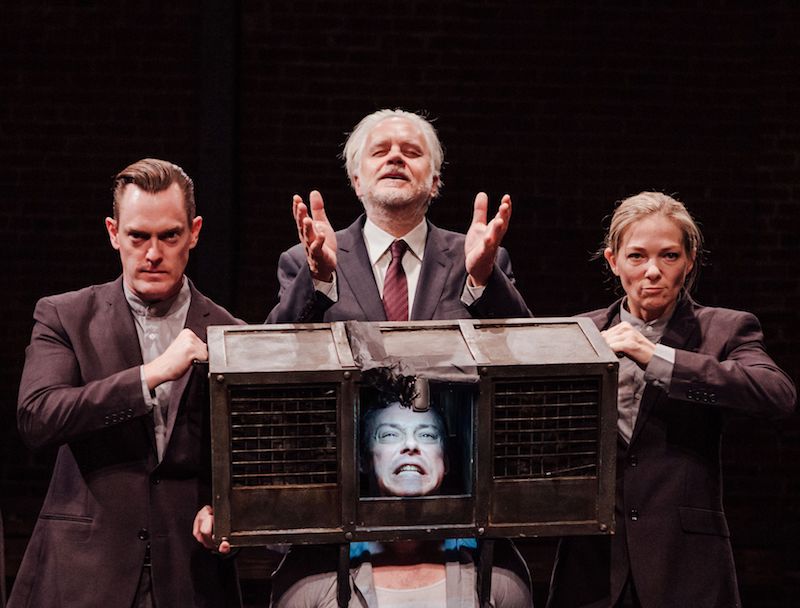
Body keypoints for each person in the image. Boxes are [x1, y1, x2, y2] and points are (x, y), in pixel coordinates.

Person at [546, 192, 796, 608]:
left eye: (669, 256)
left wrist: (657, 357)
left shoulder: (723, 328)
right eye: (637, 256)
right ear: (613, 261)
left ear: (690, 260)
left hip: (684, 564)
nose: (653, 272)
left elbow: (776, 393)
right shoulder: (580, 333)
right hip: (591, 564)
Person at [11, 159, 241, 608]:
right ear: (114, 233)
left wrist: (228, 509)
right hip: (84, 570)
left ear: (193, 232)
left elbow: (250, 457)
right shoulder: (65, 316)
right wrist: (148, 376)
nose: (152, 253)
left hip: (191, 575)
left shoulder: (230, 332)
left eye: (169, 236)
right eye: (138, 236)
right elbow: (37, 416)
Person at [266, 108, 530, 324]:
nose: (395, 157)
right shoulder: (304, 261)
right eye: (380, 151)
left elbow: (524, 349)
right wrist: (318, 278)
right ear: (357, 181)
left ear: (434, 183)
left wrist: (483, 279)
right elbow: (277, 351)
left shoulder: (480, 260)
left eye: (412, 152)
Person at [271, 394, 533, 607]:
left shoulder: (493, 565)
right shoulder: (314, 569)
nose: (411, 445)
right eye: (389, 435)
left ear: (447, 460)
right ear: (363, 459)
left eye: (427, 435)